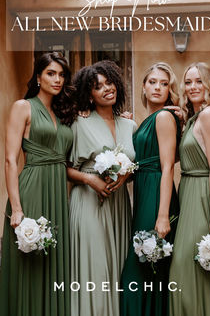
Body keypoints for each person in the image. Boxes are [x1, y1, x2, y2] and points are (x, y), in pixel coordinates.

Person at [0, 52, 74, 316]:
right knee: (29, 262)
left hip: (57, 194)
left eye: (62, 75)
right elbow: (10, 159)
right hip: (31, 190)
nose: (57, 79)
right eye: (51, 73)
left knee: (52, 262)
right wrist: (17, 208)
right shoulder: (23, 106)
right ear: (39, 77)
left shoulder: (63, 113)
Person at [67, 60, 137, 316]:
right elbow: (62, 167)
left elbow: (136, 164)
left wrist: (127, 173)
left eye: (109, 82)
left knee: (117, 268)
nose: (107, 89)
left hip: (118, 206)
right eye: (98, 87)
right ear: (89, 94)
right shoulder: (79, 122)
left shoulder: (130, 125)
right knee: (95, 271)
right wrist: (90, 180)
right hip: (88, 203)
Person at [169, 62, 210, 316]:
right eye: (188, 82)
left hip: (204, 197)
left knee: (187, 268)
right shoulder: (195, 117)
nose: (193, 86)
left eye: (199, 81)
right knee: (190, 269)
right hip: (188, 193)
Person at [120, 62, 181, 316]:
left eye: (164, 84)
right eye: (152, 82)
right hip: (145, 191)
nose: (157, 87)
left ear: (169, 90)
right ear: (143, 87)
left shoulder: (164, 117)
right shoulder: (147, 120)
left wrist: (163, 214)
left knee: (141, 269)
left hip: (158, 194)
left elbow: (168, 167)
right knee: (147, 268)